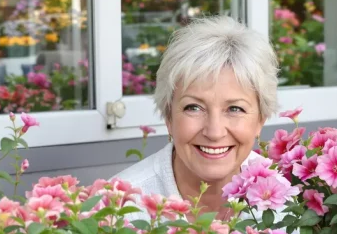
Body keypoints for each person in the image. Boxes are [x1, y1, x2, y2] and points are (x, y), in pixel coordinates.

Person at [114, 16, 279, 222]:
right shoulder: (118, 206)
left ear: (260, 121)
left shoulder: (286, 199)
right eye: (194, 108)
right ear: (168, 117)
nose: (214, 131)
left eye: (235, 109)